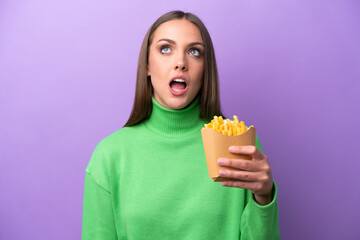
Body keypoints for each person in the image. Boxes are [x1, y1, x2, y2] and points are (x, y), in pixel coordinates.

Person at [82, 10, 280, 240]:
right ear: (147, 65)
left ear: (206, 69)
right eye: (166, 49)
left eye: (194, 52)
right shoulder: (109, 156)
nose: (180, 63)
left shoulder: (238, 145)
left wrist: (264, 198)